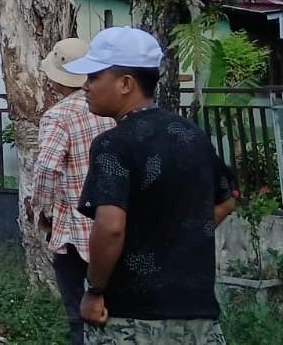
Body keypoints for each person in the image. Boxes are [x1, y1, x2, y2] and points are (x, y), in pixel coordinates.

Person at [64, 27, 237, 344]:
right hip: (198, 317)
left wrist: (95, 290)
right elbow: (226, 202)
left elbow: (111, 227)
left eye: (93, 77)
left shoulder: (113, 144)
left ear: (125, 84)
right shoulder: (192, 136)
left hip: (132, 318)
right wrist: (175, 240)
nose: (85, 86)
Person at [23, 38, 116, 345]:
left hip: (76, 232)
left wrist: (42, 212)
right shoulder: (113, 109)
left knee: (80, 316)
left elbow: (47, 168)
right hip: (117, 227)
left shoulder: (59, 115)